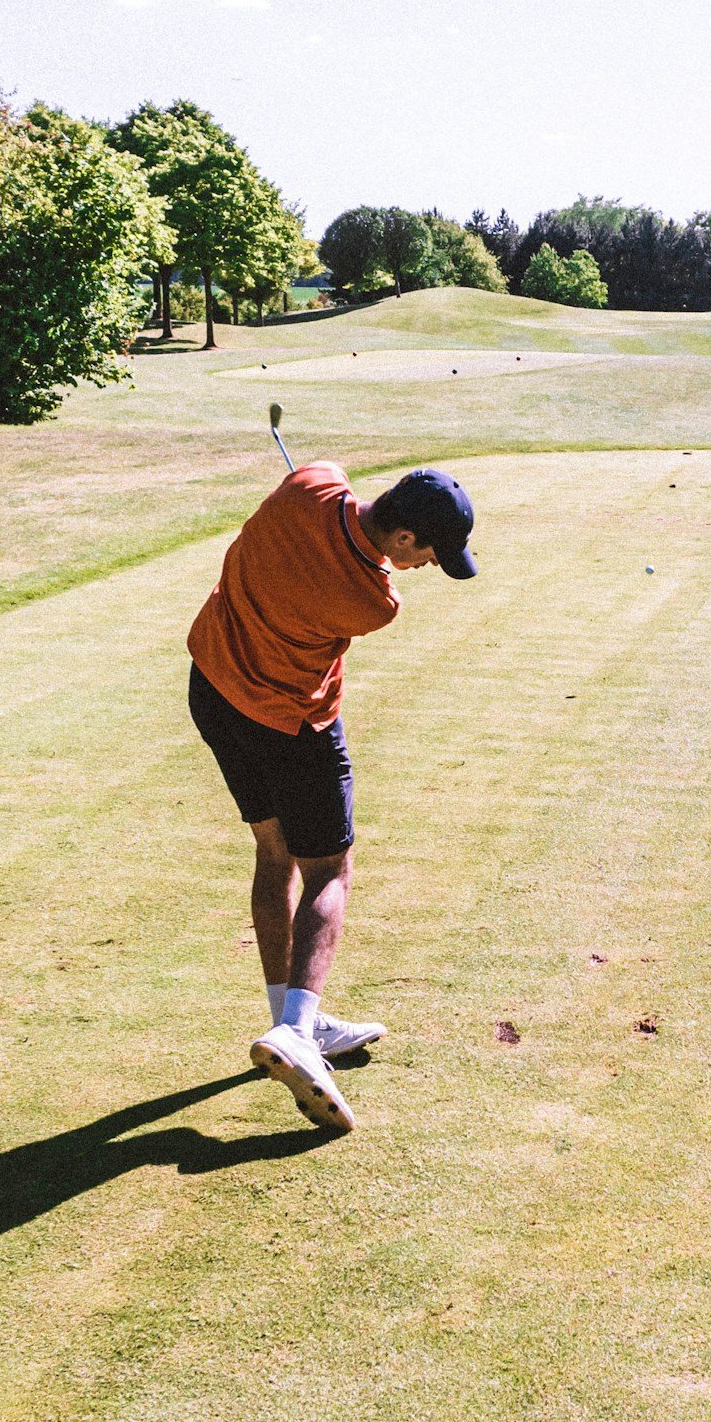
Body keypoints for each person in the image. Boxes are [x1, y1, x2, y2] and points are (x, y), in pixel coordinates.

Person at [188, 460, 478, 1130]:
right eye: (431, 551)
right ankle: (295, 1030)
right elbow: (354, 569)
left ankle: (294, 1022)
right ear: (403, 538)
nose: (432, 564)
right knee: (329, 868)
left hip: (214, 688)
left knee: (273, 852)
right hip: (290, 721)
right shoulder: (375, 602)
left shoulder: (308, 482)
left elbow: (325, 498)